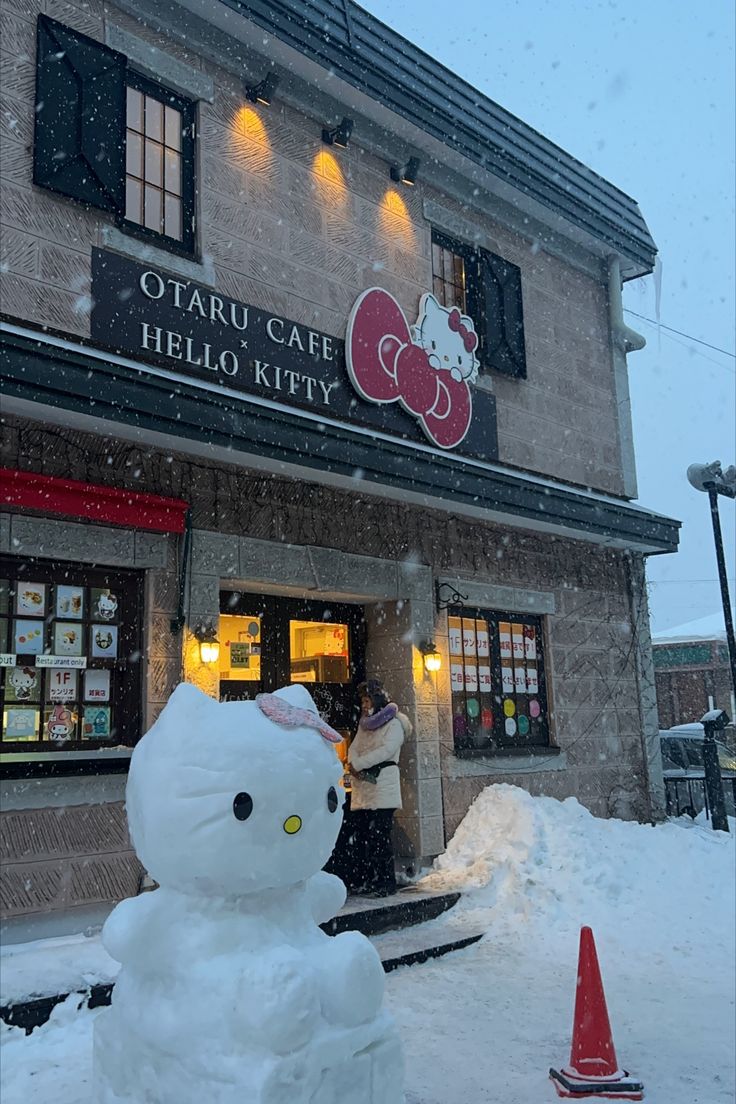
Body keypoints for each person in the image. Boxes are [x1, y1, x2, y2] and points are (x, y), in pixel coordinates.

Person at [348, 679, 412, 896]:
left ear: (376, 700)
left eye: (367, 700)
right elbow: (354, 747)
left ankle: (385, 883)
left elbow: (386, 751)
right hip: (364, 787)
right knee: (364, 837)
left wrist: (358, 764)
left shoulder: (394, 724)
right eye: (363, 701)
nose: (364, 705)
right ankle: (368, 879)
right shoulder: (365, 724)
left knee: (379, 838)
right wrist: (353, 761)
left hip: (383, 787)